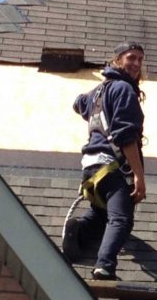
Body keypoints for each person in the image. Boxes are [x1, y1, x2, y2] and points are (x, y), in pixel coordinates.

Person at [62, 41, 146, 280]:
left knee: (102, 215)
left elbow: (78, 103)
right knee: (121, 219)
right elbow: (126, 136)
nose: (136, 64)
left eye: (140, 59)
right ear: (117, 60)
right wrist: (138, 176)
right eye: (131, 58)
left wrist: (94, 102)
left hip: (91, 167)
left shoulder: (100, 91)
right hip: (112, 167)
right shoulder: (123, 90)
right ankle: (105, 267)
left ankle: (78, 234)